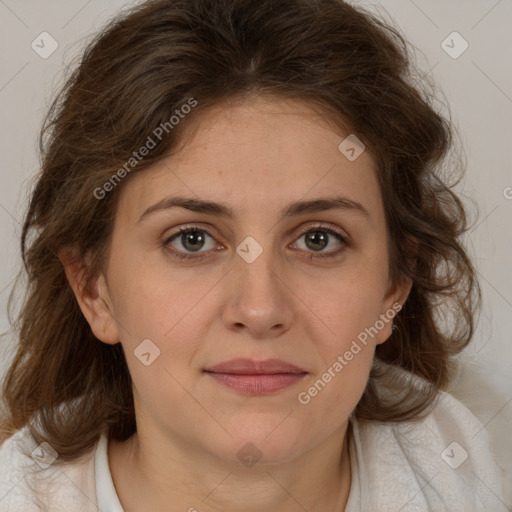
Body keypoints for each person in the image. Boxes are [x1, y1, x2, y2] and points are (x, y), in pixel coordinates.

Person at [0, 0, 507, 510]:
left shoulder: (469, 476)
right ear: (94, 290)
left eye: (318, 239)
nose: (260, 309)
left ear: (395, 286)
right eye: (191, 239)